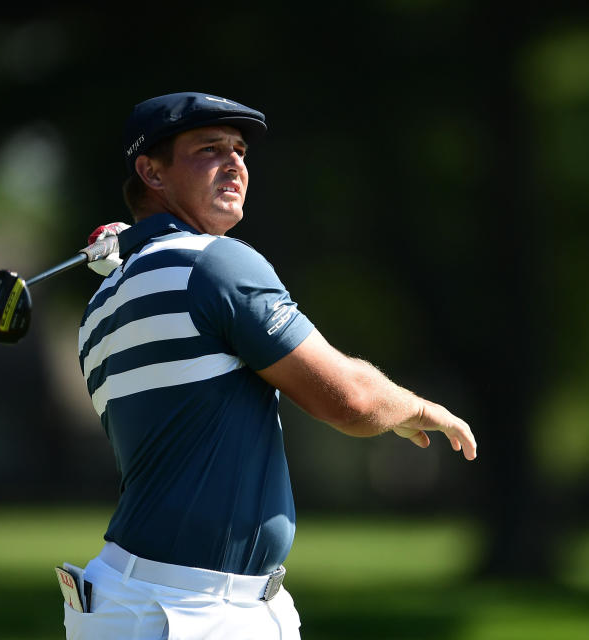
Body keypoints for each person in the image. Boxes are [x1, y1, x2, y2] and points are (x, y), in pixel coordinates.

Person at [66, 92, 477, 640]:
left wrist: (141, 238)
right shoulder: (214, 264)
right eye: (209, 149)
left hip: (127, 599)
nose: (235, 163)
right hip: (192, 609)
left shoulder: (102, 303)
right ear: (151, 172)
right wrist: (414, 405)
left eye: (239, 151)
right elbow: (348, 399)